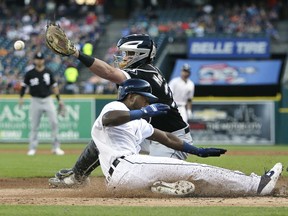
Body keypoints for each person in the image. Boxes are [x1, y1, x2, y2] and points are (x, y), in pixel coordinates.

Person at [51, 79, 282, 196]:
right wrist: (141, 112)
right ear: (131, 96)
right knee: (199, 171)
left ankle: (163, 187)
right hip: (127, 166)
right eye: (144, 98)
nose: (148, 102)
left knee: (194, 179)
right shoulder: (114, 107)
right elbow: (111, 118)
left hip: (122, 181)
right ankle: (257, 184)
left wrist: (197, 150)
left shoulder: (139, 122)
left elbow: (168, 139)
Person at [47, 34, 218, 187]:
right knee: (105, 136)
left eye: (127, 53)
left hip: (172, 137)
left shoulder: (142, 72)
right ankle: (77, 176)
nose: (122, 57)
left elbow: (107, 72)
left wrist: (76, 53)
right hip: (148, 131)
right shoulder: (148, 71)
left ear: (139, 55)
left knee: (153, 179)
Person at [19, 52, 65, 156]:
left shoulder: (48, 72)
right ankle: (32, 148)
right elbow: (23, 86)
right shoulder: (30, 73)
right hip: (35, 100)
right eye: (37, 59)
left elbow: (54, 86)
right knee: (34, 126)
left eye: (41, 59)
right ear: (34, 60)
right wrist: (21, 97)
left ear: (43, 60)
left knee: (54, 123)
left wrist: (59, 100)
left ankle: (56, 147)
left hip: (48, 99)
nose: (39, 60)